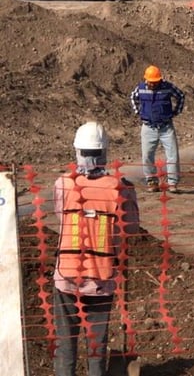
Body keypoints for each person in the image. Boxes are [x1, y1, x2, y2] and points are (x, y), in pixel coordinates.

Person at [52, 121, 140, 376]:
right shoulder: (120, 187)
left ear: (77, 150)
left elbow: (62, 219)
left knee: (65, 343)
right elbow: (131, 227)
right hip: (102, 277)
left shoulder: (63, 184)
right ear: (104, 152)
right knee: (96, 345)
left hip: (66, 275)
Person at [130, 65, 186, 192]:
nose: (152, 84)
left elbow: (181, 96)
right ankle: (151, 181)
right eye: (150, 81)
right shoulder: (141, 88)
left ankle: (172, 183)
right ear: (146, 79)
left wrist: (175, 112)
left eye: (155, 82)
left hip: (166, 127)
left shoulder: (167, 87)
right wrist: (138, 112)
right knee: (147, 155)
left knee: (172, 155)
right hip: (148, 127)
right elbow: (133, 97)